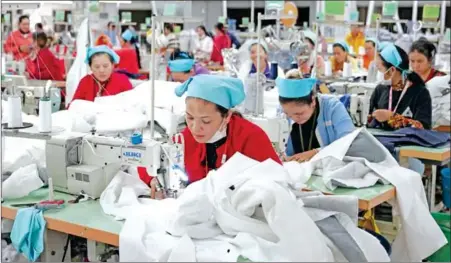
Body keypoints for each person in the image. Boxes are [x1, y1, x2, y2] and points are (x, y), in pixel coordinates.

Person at [162, 75, 281, 185]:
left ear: (227, 116)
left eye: (206, 121)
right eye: (190, 117)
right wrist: (154, 180)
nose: (195, 127)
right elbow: (158, 163)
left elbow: (277, 181)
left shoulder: (251, 137)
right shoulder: (185, 138)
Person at [276, 74, 355, 162]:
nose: (294, 118)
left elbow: (349, 143)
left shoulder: (333, 108)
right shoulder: (282, 111)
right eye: (288, 114)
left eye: (299, 113)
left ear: (313, 101)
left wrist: (316, 152)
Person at [369, 43, 431, 130]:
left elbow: (424, 127)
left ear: (392, 70)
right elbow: (368, 116)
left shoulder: (420, 93)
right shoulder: (380, 89)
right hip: (381, 140)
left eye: (379, 69)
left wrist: (392, 117)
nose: (378, 73)